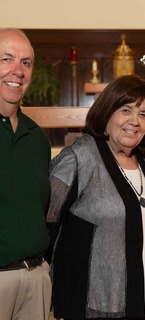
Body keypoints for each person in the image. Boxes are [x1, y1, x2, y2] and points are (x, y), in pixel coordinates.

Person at [46, 75, 145, 320]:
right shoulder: (80, 158)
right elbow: (48, 221)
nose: (135, 121)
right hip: (95, 303)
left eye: (143, 114)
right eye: (126, 110)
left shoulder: (144, 164)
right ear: (107, 112)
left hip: (142, 300)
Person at [0, 29, 52, 320]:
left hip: (35, 279)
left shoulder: (37, 138)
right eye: (6, 59)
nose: (17, 71)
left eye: (26, 62)